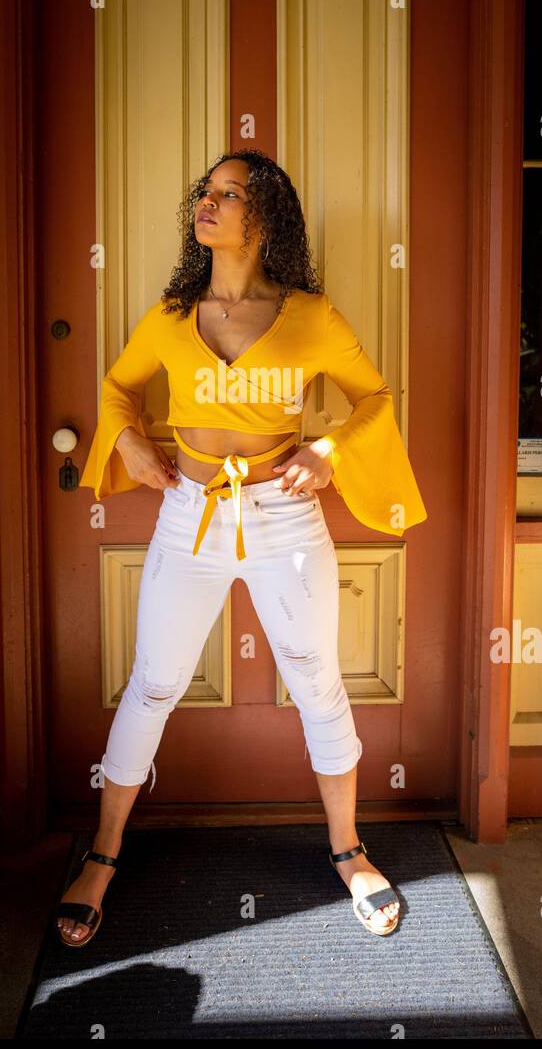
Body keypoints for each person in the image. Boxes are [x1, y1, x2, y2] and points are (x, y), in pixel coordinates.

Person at [55, 150, 428, 947]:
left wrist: (327, 452)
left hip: (284, 520)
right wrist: (127, 445)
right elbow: (117, 390)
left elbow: (377, 398)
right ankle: (102, 854)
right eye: (205, 191)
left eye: (230, 193)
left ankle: (349, 851)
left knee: (318, 682)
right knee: (152, 684)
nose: (209, 201)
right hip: (187, 514)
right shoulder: (169, 313)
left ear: (266, 219)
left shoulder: (311, 316)